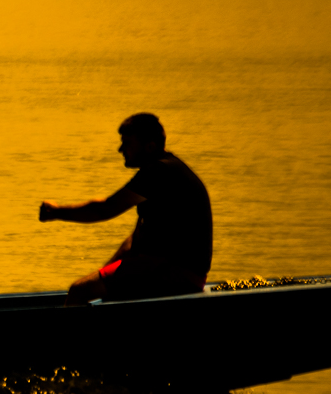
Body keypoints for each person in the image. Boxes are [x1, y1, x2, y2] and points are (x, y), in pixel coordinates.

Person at [38, 113, 213, 303]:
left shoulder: (157, 172)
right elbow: (134, 240)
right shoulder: (168, 170)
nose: (121, 149)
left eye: (127, 143)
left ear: (150, 146)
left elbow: (104, 209)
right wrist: (104, 273)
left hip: (172, 275)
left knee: (78, 292)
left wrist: (56, 212)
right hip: (181, 274)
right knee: (103, 293)